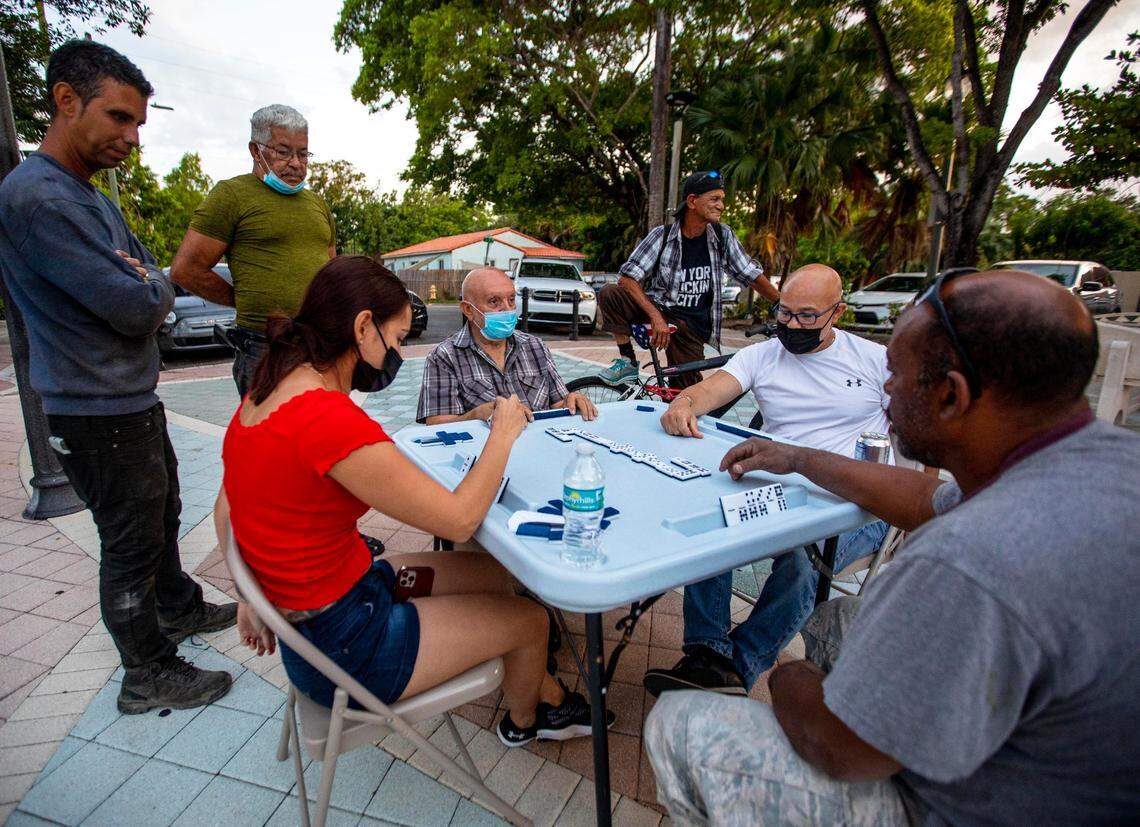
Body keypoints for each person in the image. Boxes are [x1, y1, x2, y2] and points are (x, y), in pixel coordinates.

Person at [645, 269, 1140, 824]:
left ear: (952, 395)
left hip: (958, 804)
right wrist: (801, 458)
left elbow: (843, 747)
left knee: (682, 721)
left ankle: (733, 672)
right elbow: (932, 498)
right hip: (1061, 759)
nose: (885, 390)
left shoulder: (964, 560)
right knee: (838, 619)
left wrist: (791, 680)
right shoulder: (1100, 464)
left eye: (897, 378)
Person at [220, 256, 612, 747]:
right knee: (532, 621)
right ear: (363, 327)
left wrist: (247, 592)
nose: (397, 355)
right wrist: (502, 435)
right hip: (346, 644)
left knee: (500, 577)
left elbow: (225, 506)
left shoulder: (269, 386)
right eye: (398, 339)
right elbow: (460, 520)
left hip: (343, 592)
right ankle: (526, 720)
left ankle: (545, 691)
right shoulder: (327, 421)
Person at [0, 41, 236, 714]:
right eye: (120, 118)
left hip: (126, 396)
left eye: (138, 124)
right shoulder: (40, 198)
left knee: (160, 514)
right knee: (130, 540)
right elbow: (137, 301)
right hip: (93, 407)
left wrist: (146, 282)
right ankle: (147, 671)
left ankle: (178, 606)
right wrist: (147, 285)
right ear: (66, 101)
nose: (131, 138)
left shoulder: (87, 193)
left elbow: (145, 271)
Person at [642, 264, 891, 697]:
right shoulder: (764, 355)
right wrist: (683, 403)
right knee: (712, 524)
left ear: (838, 312)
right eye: (785, 312)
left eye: (807, 316)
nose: (793, 325)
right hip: (781, 487)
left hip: (855, 503)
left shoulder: (875, 361)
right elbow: (713, 388)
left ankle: (737, 668)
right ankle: (706, 652)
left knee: (801, 558)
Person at [170, 104, 335, 397]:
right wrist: (243, 301)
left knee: (318, 437)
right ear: (255, 151)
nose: (297, 163)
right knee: (271, 439)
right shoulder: (232, 195)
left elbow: (332, 272)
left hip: (319, 344)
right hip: (265, 348)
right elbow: (186, 269)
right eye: (283, 152)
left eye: (303, 153)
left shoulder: (317, 204)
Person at [595, 171, 779, 389]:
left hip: (692, 326)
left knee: (686, 394)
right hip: (662, 309)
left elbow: (750, 275)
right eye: (715, 199)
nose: (721, 206)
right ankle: (627, 361)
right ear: (692, 201)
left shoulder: (722, 236)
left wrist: (783, 305)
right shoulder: (661, 236)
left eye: (722, 199)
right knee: (610, 292)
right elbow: (627, 278)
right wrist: (656, 316)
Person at [417, 267, 598, 424]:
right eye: (494, 302)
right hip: (484, 455)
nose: (507, 309)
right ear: (468, 310)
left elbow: (558, 402)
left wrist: (572, 401)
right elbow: (438, 424)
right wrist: (477, 415)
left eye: (511, 300)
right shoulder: (444, 357)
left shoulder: (535, 346)